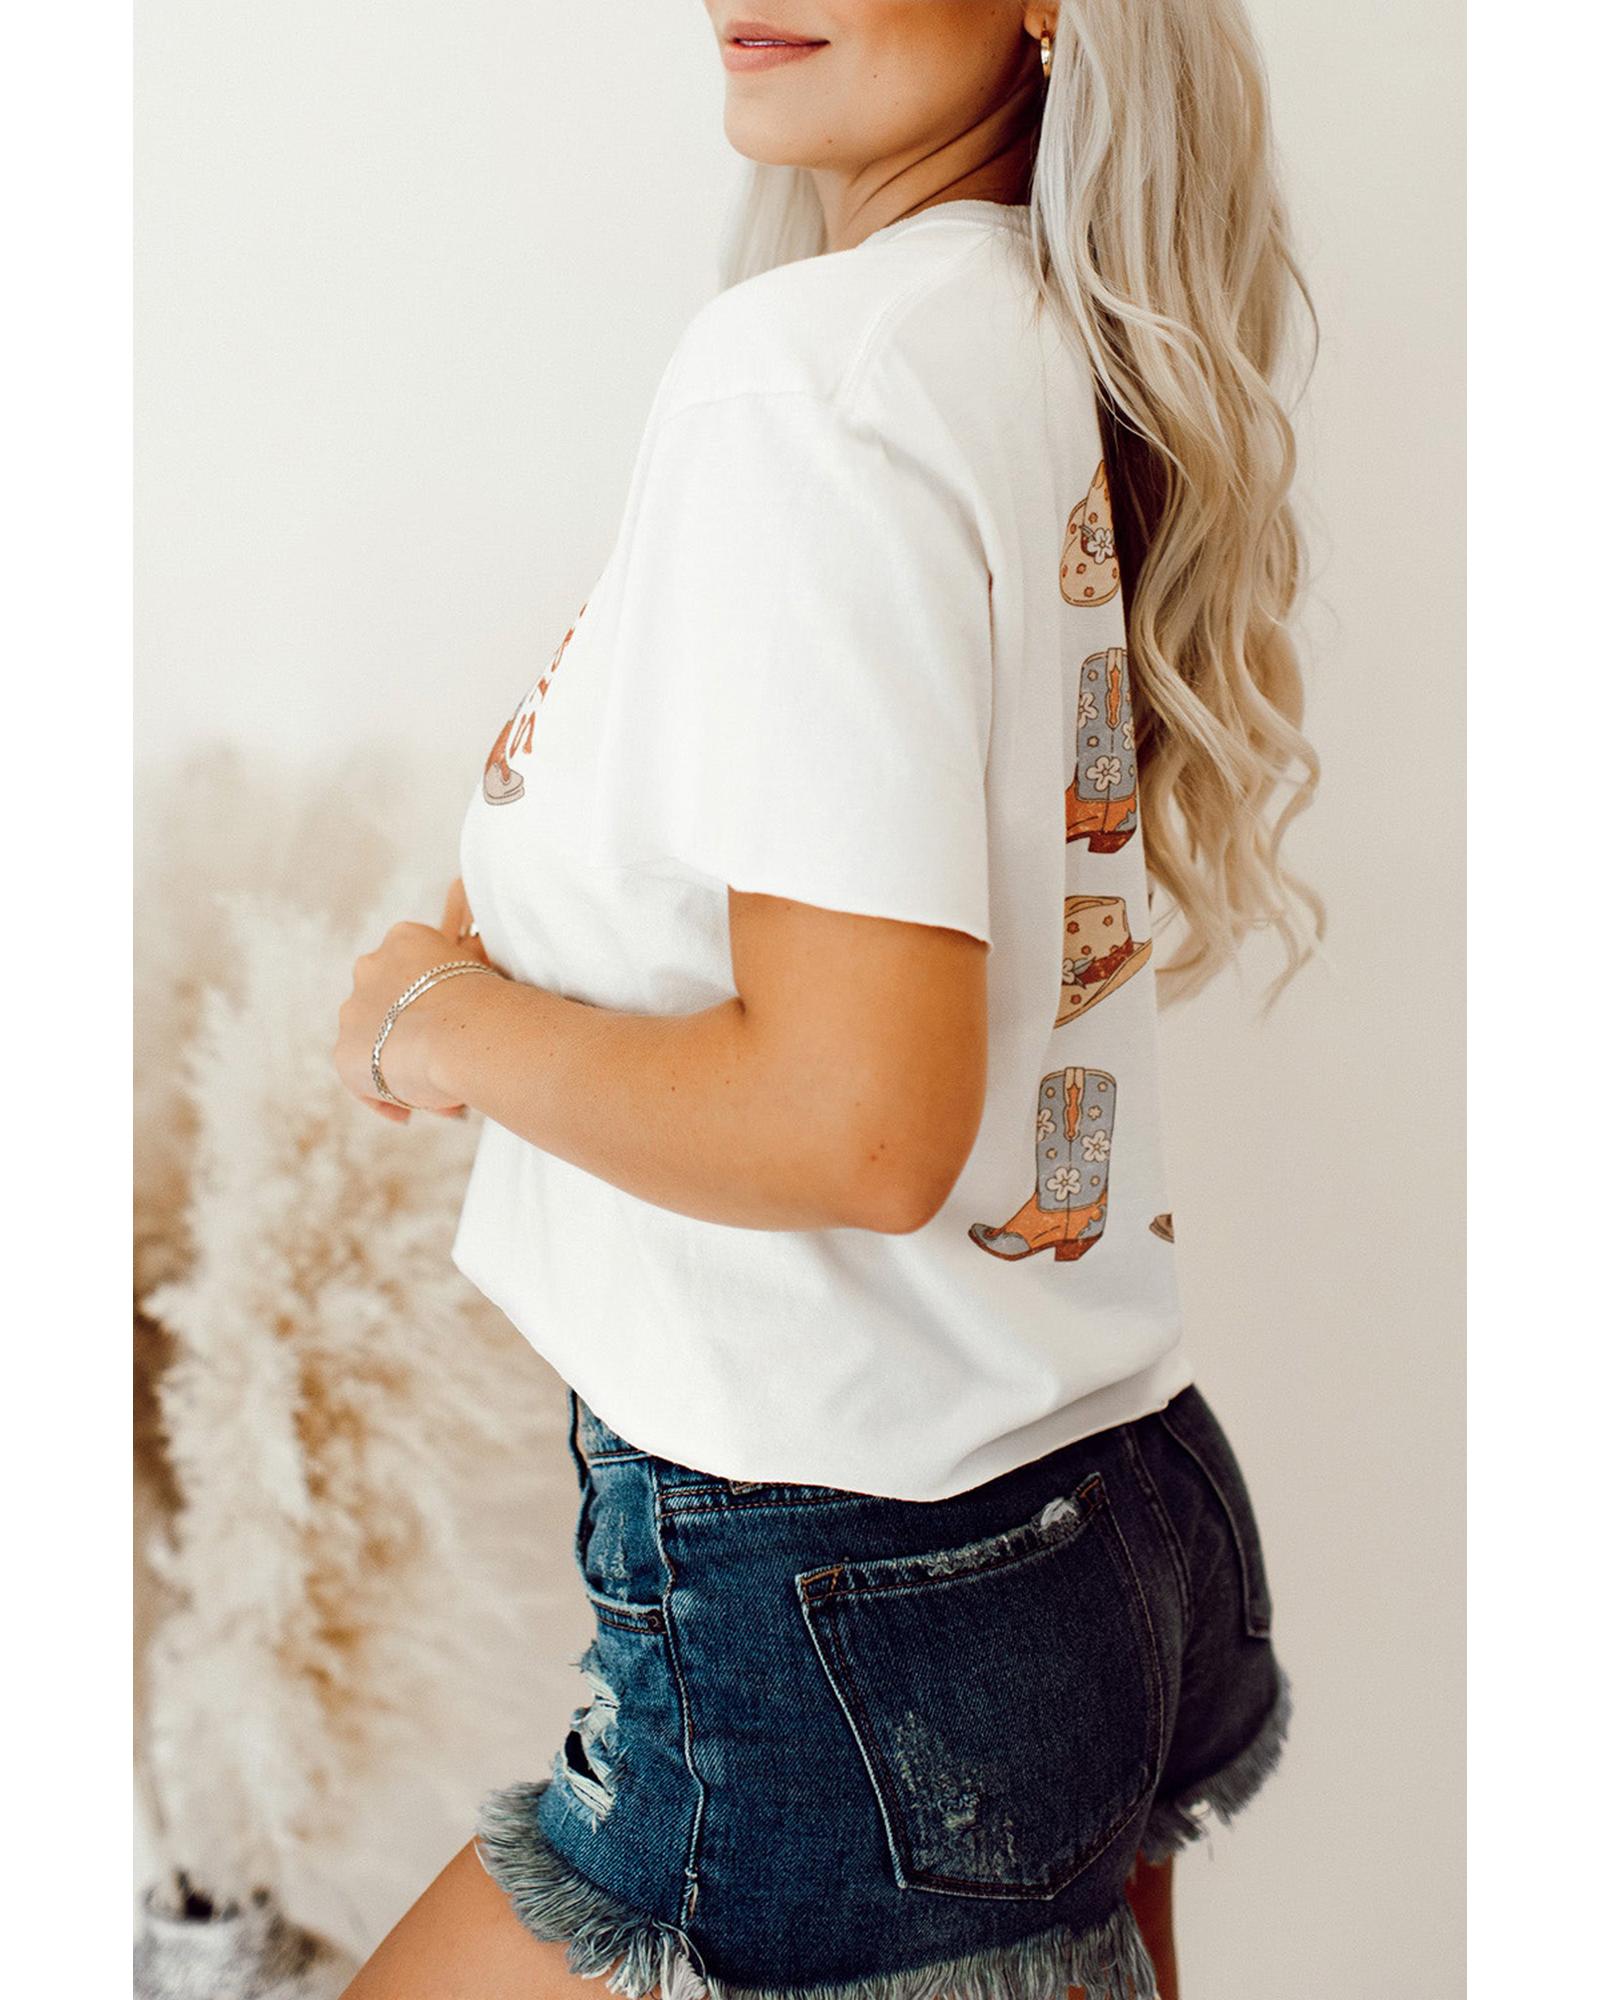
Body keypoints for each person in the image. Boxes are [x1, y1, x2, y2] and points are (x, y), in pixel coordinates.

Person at [333, 4, 1321, 1996]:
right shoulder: (1024, 337)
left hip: (844, 1605)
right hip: (1102, 1494)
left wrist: (427, 1019)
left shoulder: (812, 376)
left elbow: (853, 1124)